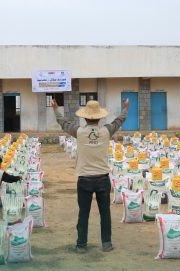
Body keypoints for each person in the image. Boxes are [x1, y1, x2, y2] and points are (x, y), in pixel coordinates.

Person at [52, 98, 129, 254]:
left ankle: (81, 245)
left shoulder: (79, 132)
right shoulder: (107, 130)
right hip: (102, 178)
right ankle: (106, 243)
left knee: (83, 213)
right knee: (105, 213)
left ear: (85, 117)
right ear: (99, 117)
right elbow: (118, 121)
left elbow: (64, 123)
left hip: (84, 179)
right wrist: (125, 109)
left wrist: (55, 109)